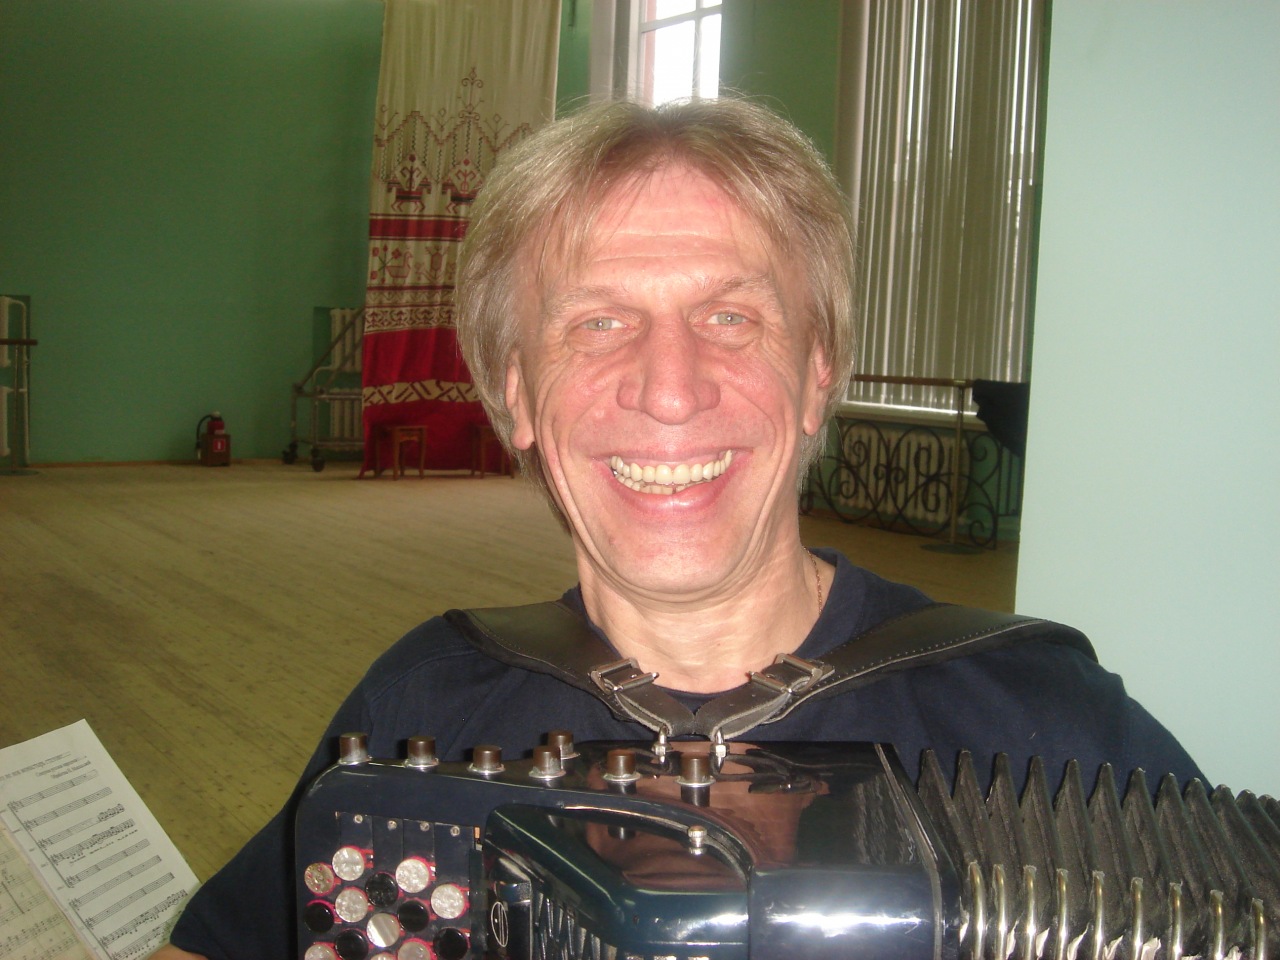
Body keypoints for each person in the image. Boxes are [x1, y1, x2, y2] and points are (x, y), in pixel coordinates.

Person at [153, 97, 1199, 960]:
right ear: (517, 396)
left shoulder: (1042, 726)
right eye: (598, 322)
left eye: (729, 317)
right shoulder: (427, 705)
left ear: (815, 376)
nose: (667, 388)